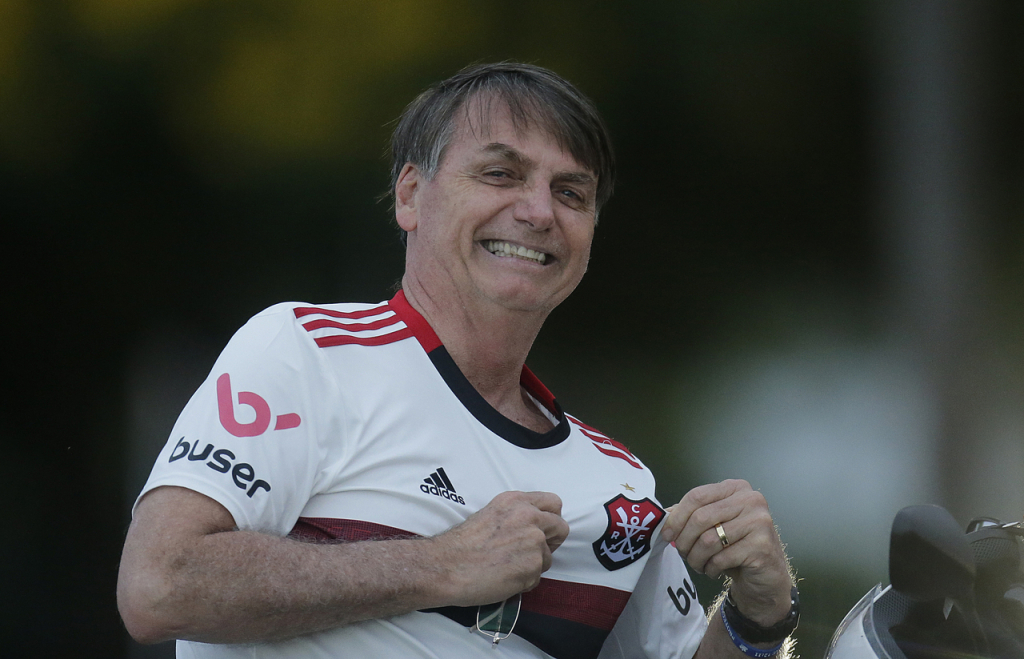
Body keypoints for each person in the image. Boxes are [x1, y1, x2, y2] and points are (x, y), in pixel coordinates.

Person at [117, 62, 797, 659]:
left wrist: (760, 618)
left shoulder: (620, 488)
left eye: (571, 192)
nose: (538, 212)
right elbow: (159, 585)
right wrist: (441, 565)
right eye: (501, 174)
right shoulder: (305, 353)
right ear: (411, 196)